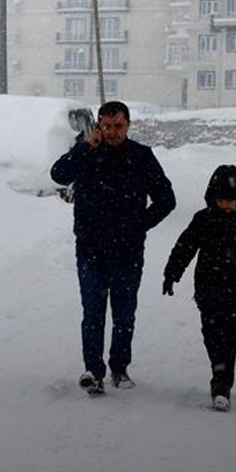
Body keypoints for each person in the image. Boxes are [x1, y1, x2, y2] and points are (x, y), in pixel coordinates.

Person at [51, 101, 176, 395]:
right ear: (98, 126)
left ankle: (119, 369)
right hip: (90, 248)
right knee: (92, 312)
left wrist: (138, 225)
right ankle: (93, 371)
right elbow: (59, 174)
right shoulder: (87, 154)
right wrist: (85, 149)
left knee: (124, 313)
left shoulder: (142, 157)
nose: (111, 131)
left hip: (127, 250)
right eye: (105, 126)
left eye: (117, 125)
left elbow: (166, 200)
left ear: (128, 125)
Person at [162, 164, 236, 412]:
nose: (226, 206)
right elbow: (185, 247)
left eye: (231, 201)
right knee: (210, 334)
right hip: (208, 289)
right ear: (213, 198)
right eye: (222, 200)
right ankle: (218, 369)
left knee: (229, 336)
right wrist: (171, 274)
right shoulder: (204, 220)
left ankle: (222, 383)